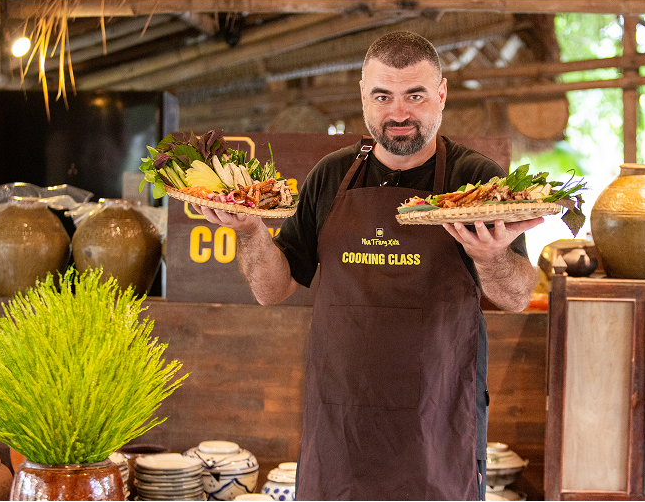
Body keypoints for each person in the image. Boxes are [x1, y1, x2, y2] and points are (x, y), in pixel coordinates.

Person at [193, 31, 543, 501]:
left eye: (414, 95)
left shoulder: (475, 179)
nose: (398, 113)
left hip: (438, 420)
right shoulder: (331, 175)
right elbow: (270, 290)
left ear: (441, 94)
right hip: (341, 423)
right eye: (383, 96)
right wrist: (251, 231)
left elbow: (518, 297)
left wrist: (490, 257)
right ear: (363, 95)